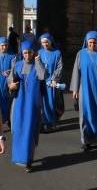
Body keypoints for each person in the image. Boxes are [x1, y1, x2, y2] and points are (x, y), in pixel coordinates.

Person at [70, 31, 97, 151]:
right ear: (86, 42)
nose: (92, 45)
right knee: (84, 114)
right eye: (90, 43)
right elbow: (76, 72)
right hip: (84, 89)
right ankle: (85, 140)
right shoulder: (81, 54)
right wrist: (75, 89)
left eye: (94, 42)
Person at [8, 40, 47, 172]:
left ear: (34, 52)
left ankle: (28, 160)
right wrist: (11, 85)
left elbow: (43, 76)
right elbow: (11, 81)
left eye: (30, 52)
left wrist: (37, 61)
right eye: (25, 53)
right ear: (22, 53)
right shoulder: (17, 65)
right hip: (19, 103)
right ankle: (20, 157)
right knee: (18, 130)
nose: (27, 55)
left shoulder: (38, 66)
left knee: (30, 131)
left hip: (33, 105)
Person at [38, 33, 63, 132]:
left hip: (52, 82)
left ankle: (52, 123)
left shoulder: (57, 53)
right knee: (43, 103)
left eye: (46, 42)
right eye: (43, 42)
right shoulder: (39, 52)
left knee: (52, 102)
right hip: (42, 82)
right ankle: (44, 122)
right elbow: (37, 66)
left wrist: (54, 78)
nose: (45, 44)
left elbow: (59, 67)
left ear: (50, 42)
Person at [0, 37, 16, 125]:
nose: (4, 47)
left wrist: (9, 72)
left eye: (6, 45)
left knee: (7, 99)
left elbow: (14, 67)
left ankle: (6, 118)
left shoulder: (12, 56)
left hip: (7, 80)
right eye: (2, 45)